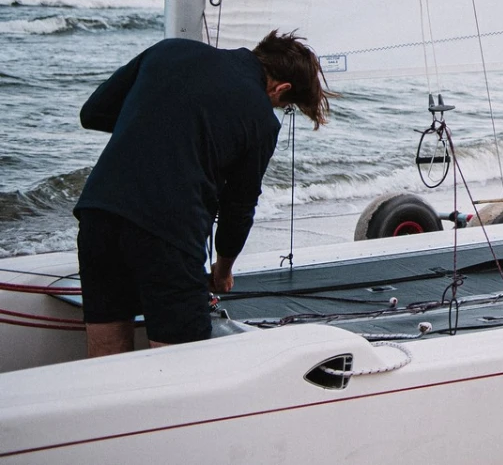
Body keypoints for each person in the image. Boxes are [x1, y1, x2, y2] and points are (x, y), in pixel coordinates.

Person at [74, 31, 332, 357]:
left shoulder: (170, 50)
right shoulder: (261, 119)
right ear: (281, 88)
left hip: (99, 211)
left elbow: (93, 113)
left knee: (107, 345)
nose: (277, 108)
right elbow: (239, 206)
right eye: (284, 105)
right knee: (180, 360)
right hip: (168, 232)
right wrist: (222, 272)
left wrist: (159, 125)